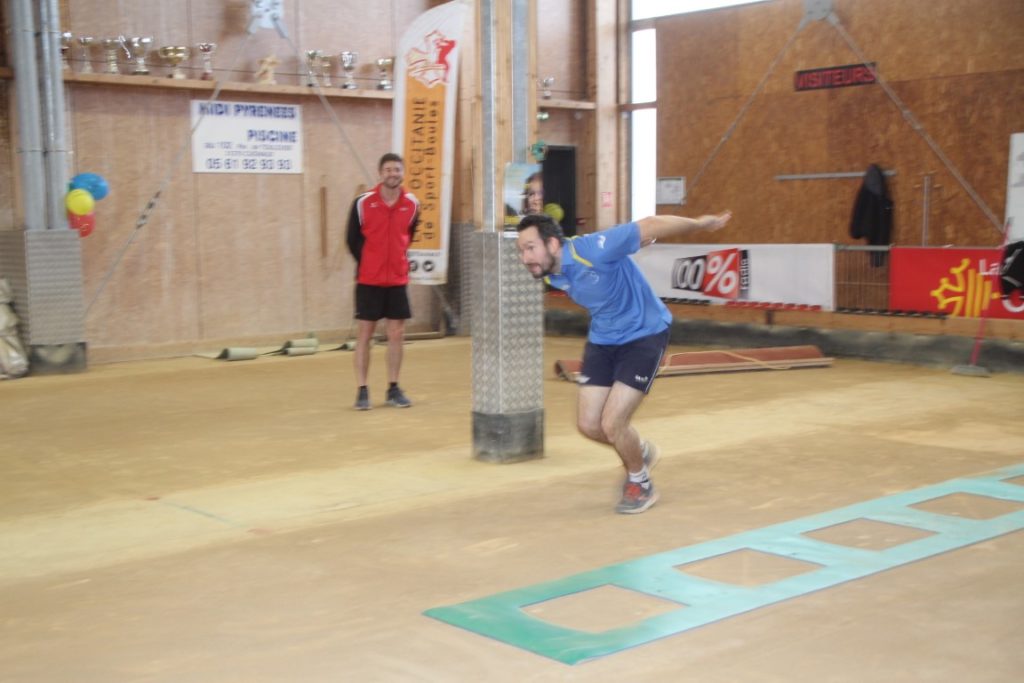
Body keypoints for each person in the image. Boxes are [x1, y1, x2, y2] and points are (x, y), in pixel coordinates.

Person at [515, 210, 731, 513]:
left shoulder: (594, 249)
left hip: (644, 334)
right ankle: (638, 451)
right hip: (603, 340)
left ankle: (640, 482)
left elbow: (651, 225)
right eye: (521, 251)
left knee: (613, 423)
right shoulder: (552, 273)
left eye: (529, 248)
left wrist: (700, 223)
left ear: (552, 244)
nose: (524, 258)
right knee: (589, 425)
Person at [346, 153, 420, 410]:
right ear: (380, 173)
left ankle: (393, 388)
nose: (392, 174)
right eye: (388, 170)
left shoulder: (412, 204)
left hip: (397, 280)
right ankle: (362, 390)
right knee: (365, 334)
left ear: (402, 173)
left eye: (397, 169)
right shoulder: (363, 203)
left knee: (396, 334)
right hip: (369, 280)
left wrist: (394, 261)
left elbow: (408, 236)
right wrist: (370, 262)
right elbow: (352, 240)